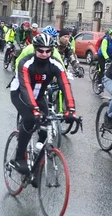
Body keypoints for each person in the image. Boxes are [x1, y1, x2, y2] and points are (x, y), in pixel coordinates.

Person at [9, 33, 77, 174]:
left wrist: (71, 109)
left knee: (47, 125)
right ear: (35, 49)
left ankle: (38, 152)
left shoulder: (55, 64)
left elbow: (65, 84)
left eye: (48, 51)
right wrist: (34, 110)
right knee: (29, 120)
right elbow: (26, 87)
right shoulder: (26, 63)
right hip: (20, 94)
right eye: (41, 50)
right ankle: (18, 157)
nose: (44, 54)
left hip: (39, 95)